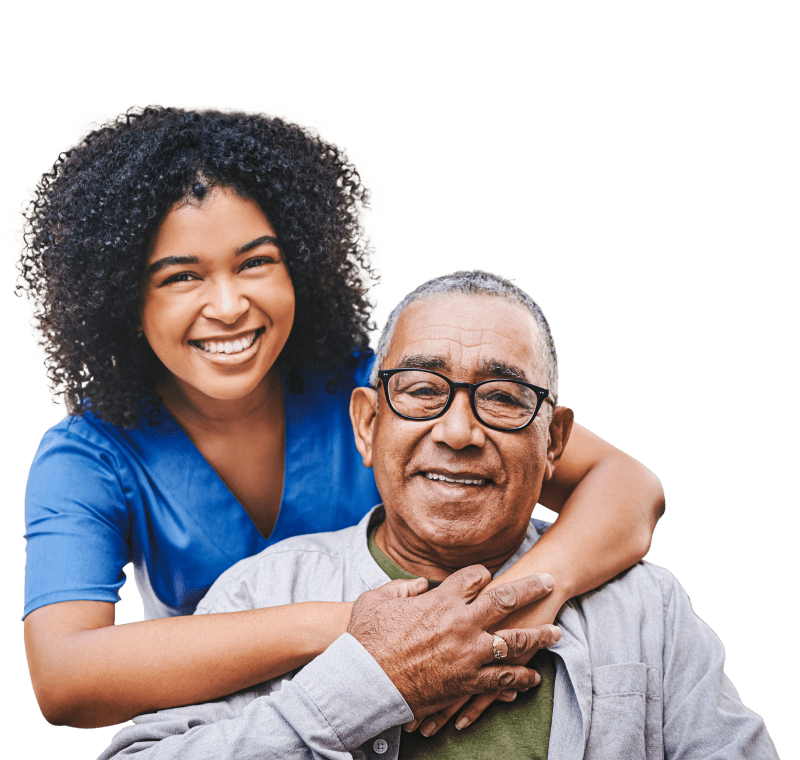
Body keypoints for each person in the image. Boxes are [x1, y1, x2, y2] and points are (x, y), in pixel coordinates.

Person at [13, 103, 665, 731]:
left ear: (301, 264)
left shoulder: (391, 390)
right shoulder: (89, 458)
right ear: (122, 297)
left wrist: (514, 603)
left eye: (256, 262)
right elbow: (66, 677)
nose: (229, 305)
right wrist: (355, 626)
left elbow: (628, 485)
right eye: (181, 277)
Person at [99, 269, 778, 759]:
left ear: (554, 443)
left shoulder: (647, 611)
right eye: (422, 390)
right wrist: (367, 684)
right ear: (367, 425)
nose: (458, 431)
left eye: (503, 397)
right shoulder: (263, 590)